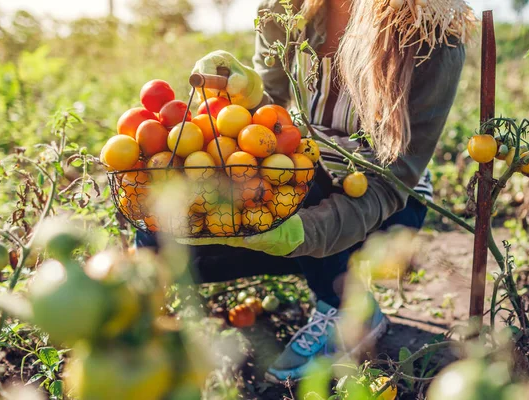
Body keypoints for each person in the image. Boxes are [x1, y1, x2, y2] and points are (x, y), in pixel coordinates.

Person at [136, 0, 473, 383]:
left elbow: (392, 180)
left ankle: (343, 304)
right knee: (163, 235)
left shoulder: (431, 36)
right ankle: (146, 335)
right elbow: (267, 119)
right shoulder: (285, 8)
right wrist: (244, 92)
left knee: (302, 174)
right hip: (298, 180)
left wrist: (302, 232)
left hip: (383, 208)